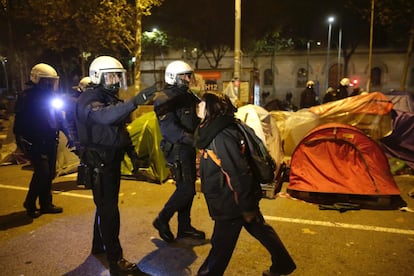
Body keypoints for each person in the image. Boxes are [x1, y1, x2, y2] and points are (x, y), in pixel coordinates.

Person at [195, 92, 296, 276]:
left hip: (232, 201)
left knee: (220, 247)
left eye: (202, 103)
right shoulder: (220, 128)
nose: (199, 106)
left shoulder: (220, 136)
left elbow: (238, 173)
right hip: (237, 198)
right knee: (260, 229)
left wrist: (246, 206)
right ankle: (283, 263)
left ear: (212, 108)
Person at [75, 56, 156, 276]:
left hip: (109, 160)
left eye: (118, 76)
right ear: (97, 76)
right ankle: (116, 261)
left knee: (105, 207)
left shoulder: (107, 97)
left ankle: (98, 245)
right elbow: (105, 118)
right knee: (109, 211)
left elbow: (119, 130)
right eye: (112, 75)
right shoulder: (89, 98)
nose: (116, 80)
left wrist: (133, 155)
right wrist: (135, 101)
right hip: (99, 163)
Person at [152, 60, 205, 243]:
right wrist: (197, 140)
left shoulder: (187, 95)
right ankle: (162, 219)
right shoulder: (164, 98)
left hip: (188, 147)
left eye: (190, 75)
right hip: (177, 148)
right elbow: (170, 130)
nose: (189, 79)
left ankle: (184, 227)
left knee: (188, 188)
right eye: (185, 75)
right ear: (173, 76)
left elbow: (199, 115)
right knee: (186, 189)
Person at [13, 63, 74, 218]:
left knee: (49, 173)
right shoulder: (27, 97)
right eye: (47, 81)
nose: (50, 84)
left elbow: (59, 119)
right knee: (42, 173)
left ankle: (46, 204)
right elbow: (19, 121)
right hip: (35, 141)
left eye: (52, 81)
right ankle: (30, 203)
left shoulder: (52, 97)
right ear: (37, 79)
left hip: (50, 140)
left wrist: (69, 135)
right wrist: (21, 141)